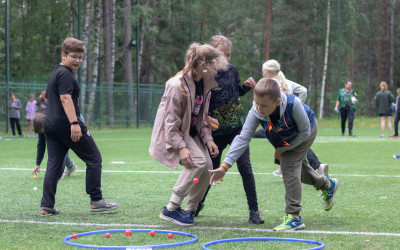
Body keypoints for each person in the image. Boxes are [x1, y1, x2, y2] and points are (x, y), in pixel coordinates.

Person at [209, 78, 338, 231]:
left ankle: (294, 217)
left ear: (277, 102)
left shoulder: (292, 104)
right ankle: (327, 185)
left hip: (306, 131)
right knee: (298, 170)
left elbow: (304, 132)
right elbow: (243, 138)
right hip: (284, 136)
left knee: (288, 164)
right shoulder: (256, 110)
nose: (259, 108)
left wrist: (283, 149)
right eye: (256, 102)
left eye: (263, 105)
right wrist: (225, 166)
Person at [149, 42, 228, 226]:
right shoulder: (177, 85)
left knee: (208, 165)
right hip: (175, 133)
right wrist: (182, 148)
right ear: (202, 64)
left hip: (191, 131)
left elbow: (202, 116)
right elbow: (170, 123)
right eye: (214, 65)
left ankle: (189, 210)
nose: (217, 70)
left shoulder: (205, 83)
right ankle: (171, 208)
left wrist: (208, 139)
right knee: (198, 161)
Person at [40, 37, 118, 216]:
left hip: (50, 125)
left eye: (80, 57)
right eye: (73, 56)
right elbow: (65, 98)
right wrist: (74, 123)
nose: (77, 61)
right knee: (94, 158)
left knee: (55, 164)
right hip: (66, 124)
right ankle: (97, 200)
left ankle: (46, 206)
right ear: (63, 55)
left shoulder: (57, 72)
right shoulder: (66, 74)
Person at [194, 35, 263, 224]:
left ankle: (254, 211)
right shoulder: (205, 74)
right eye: (222, 55)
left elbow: (235, 92)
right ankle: (196, 205)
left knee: (245, 167)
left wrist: (245, 87)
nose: (227, 59)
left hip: (236, 130)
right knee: (211, 170)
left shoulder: (232, 70)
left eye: (229, 55)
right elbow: (200, 102)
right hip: (215, 134)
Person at [260, 59, 329, 178]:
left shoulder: (269, 86)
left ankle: (315, 167)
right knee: (295, 144)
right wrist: (298, 107)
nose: (262, 74)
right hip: (292, 121)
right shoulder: (287, 82)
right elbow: (303, 90)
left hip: (281, 123)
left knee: (287, 143)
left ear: (269, 73)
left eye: (263, 72)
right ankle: (314, 167)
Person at [32, 112, 78, 178]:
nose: (42, 132)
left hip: (70, 127)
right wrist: (38, 164)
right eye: (41, 131)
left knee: (60, 149)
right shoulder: (42, 129)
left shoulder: (55, 124)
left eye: (42, 130)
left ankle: (61, 169)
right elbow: (41, 146)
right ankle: (71, 167)